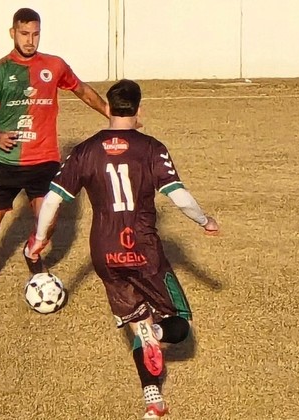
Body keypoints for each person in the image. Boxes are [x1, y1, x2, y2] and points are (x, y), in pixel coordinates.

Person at [26, 79, 219, 419]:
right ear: (138, 108)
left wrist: (40, 238)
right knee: (179, 323)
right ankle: (156, 333)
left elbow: (53, 198)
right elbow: (179, 196)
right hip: (144, 249)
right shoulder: (151, 148)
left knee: (137, 323)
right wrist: (205, 221)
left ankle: (153, 401)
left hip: (105, 252)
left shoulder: (85, 151)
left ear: (109, 108)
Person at [0, 8, 109, 300]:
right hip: (5, 161)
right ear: (13, 33)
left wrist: (111, 113)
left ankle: (32, 251)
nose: (30, 40)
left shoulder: (54, 65)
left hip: (44, 161)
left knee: (49, 220)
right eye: (24, 34)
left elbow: (82, 90)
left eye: (35, 34)